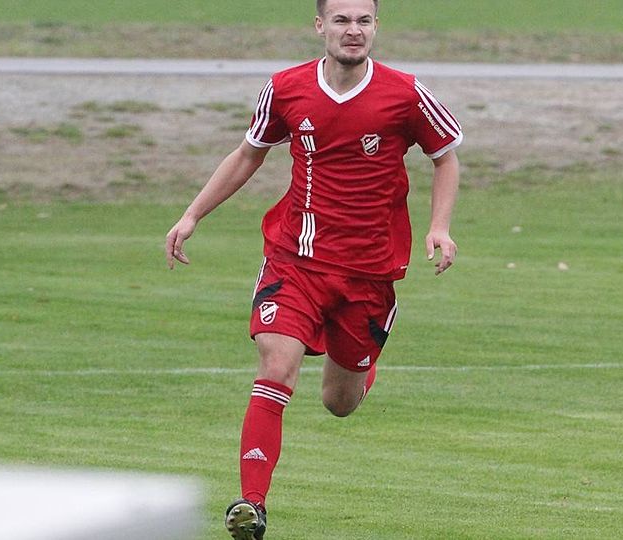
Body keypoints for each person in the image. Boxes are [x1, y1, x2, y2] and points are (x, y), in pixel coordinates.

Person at [164, 0, 462, 537]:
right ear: (320, 25)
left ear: (376, 26)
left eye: (363, 20)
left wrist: (439, 227)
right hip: (295, 259)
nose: (353, 30)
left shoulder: (406, 93)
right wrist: (192, 214)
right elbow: (248, 154)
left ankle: (360, 366)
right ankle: (251, 504)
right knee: (276, 365)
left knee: (338, 403)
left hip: (369, 270)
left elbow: (445, 157)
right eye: (342, 20)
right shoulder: (285, 88)